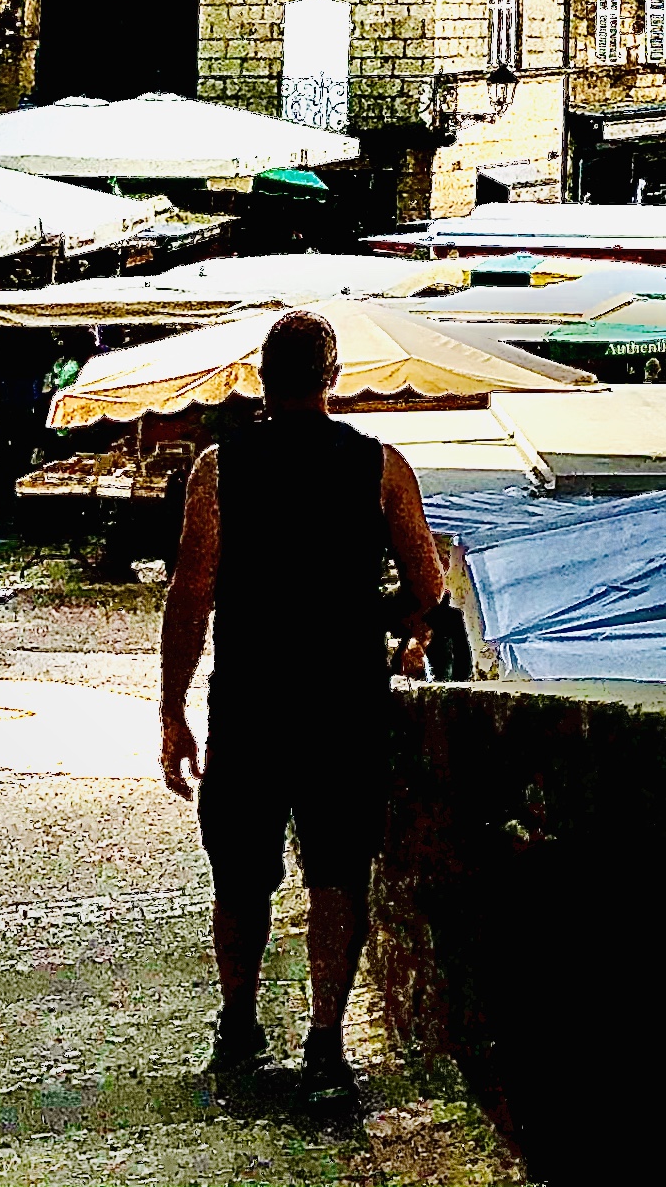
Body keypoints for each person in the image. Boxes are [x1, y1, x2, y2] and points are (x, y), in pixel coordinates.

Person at [160, 310, 445, 1103]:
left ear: (260, 377)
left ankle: (241, 1024)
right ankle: (324, 1045)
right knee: (337, 872)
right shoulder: (381, 467)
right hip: (343, 702)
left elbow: (191, 595)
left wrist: (171, 708)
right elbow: (429, 586)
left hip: (249, 697)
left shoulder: (220, 470)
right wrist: (388, 623)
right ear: (333, 378)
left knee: (241, 874)